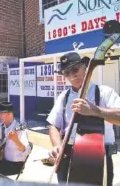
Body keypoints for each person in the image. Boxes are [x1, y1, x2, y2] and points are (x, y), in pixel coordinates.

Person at [47, 52, 120, 186]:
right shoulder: (63, 97)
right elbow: (53, 125)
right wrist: (57, 145)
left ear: (85, 66)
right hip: (66, 157)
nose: (72, 75)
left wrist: (96, 111)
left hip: (97, 158)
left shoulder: (105, 92)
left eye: (75, 69)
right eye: (66, 73)